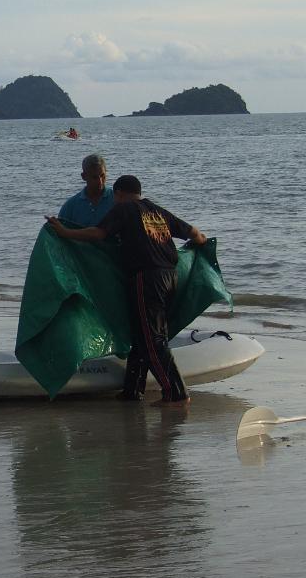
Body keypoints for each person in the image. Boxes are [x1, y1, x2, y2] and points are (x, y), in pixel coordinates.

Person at [46, 174, 207, 406]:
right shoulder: (156, 210)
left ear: (119, 193)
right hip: (170, 277)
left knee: (152, 339)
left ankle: (176, 392)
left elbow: (98, 233)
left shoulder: (124, 209)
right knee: (141, 335)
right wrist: (203, 246)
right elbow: (194, 233)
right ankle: (133, 390)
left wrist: (65, 233)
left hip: (147, 277)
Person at [57, 153, 114, 227]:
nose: (100, 181)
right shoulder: (70, 206)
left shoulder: (116, 200)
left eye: (102, 175)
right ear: (84, 176)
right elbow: (59, 234)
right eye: (94, 177)